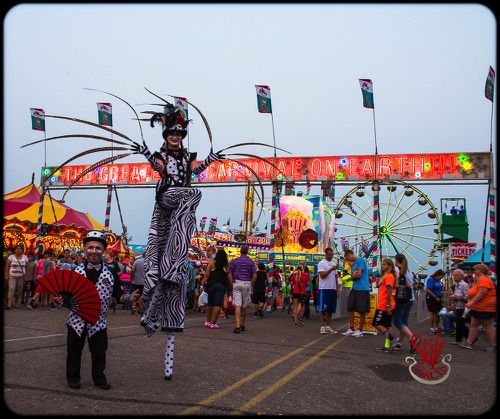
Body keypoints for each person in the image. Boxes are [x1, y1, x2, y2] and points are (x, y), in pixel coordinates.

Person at [132, 107, 223, 380]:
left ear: (183, 136)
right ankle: (168, 264)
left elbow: (197, 169)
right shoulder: (162, 156)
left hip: (182, 205)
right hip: (168, 200)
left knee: (191, 198)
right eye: (171, 133)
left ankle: (158, 310)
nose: (175, 137)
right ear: (166, 135)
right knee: (192, 194)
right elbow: (158, 168)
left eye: (179, 134)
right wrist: (147, 153)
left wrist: (212, 159)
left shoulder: (188, 156)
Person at [53, 230, 138, 390]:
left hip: (98, 322)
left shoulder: (111, 272)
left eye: (98, 248)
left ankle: (99, 378)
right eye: (90, 247)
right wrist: (60, 300)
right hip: (76, 321)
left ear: (103, 251)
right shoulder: (75, 271)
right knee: (73, 352)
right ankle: (73, 377)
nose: (94, 251)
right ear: (85, 249)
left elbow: (118, 294)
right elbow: (64, 295)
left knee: (99, 353)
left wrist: (129, 298)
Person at [458, 263, 496, 351]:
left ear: (480, 271)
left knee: (488, 325)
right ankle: (469, 342)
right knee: (474, 325)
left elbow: (482, 292)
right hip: (478, 307)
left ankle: (493, 345)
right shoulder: (481, 279)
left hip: (485, 307)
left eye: (475, 270)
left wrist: (472, 302)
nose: (474, 271)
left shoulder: (484, 280)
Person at [390, 253, 421, 352]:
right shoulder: (409, 272)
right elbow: (412, 285)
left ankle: (413, 338)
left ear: (396, 261)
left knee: (397, 321)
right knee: (404, 322)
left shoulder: (396, 270)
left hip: (401, 298)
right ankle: (398, 342)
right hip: (409, 298)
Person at [228, 245, 256, 334]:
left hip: (237, 282)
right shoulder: (251, 262)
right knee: (244, 306)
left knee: (237, 305)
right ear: (247, 252)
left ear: (240, 251)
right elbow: (255, 275)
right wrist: (251, 284)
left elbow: (229, 274)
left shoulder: (234, 261)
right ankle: (243, 324)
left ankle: (237, 326)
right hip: (247, 283)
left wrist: (232, 283)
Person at [342, 249, 370, 337]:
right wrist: (353, 276)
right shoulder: (353, 265)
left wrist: (352, 276)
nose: (348, 260)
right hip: (355, 287)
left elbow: (358, 274)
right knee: (350, 307)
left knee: (361, 310)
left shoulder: (360, 260)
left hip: (362, 288)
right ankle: (351, 328)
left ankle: (360, 329)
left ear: (350, 255)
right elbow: (354, 275)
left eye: (347, 258)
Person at [372, 258, 396, 351]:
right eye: (382, 264)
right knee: (387, 324)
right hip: (386, 303)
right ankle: (387, 345)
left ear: (390, 266)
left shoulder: (388, 276)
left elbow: (389, 290)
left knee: (376, 323)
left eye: (385, 265)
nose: (382, 266)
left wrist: (388, 305)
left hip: (384, 304)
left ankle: (392, 339)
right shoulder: (387, 276)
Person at [201, 249, 229, 329]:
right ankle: (213, 323)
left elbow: (207, 275)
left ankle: (208, 321)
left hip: (211, 285)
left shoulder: (212, 263)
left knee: (210, 304)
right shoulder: (226, 266)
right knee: (217, 304)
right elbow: (229, 275)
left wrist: (202, 283)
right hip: (221, 286)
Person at [316, 248, 339, 334]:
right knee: (322, 308)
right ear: (326, 254)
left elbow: (336, 277)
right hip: (324, 288)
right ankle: (322, 327)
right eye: (329, 254)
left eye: (332, 254)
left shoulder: (333, 264)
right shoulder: (322, 263)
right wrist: (331, 269)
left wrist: (337, 289)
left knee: (331, 309)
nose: (331, 256)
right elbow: (322, 275)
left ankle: (328, 326)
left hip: (332, 288)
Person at [440, 268, 469, 337]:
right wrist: (453, 303)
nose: (455, 276)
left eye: (456, 275)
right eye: (454, 275)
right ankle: (450, 329)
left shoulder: (464, 285)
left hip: (462, 309)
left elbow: (467, 298)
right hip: (456, 307)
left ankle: (448, 331)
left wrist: (458, 298)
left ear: (462, 276)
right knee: (442, 312)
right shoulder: (456, 285)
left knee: (447, 316)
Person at [5, 244, 28, 309]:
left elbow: (27, 267)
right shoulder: (11, 257)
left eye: (20, 249)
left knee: (19, 290)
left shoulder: (25, 257)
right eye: (17, 249)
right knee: (11, 289)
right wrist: (6, 275)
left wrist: (27, 275)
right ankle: (9, 304)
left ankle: (16, 303)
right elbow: (7, 266)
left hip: (21, 276)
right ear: (15, 250)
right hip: (12, 275)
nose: (18, 250)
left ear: (22, 250)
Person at [425, 269, 445, 334]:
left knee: (438, 312)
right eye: (441, 276)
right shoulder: (431, 280)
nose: (441, 278)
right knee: (432, 312)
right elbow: (428, 289)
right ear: (438, 275)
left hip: (438, 297)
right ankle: (431, 328)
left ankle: (436, 326)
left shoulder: (438, 281)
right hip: (432, 297)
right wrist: (434, 296)